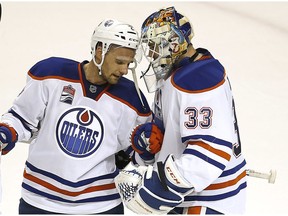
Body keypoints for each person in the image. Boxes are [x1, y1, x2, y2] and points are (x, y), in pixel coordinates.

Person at [0, 18, 152, 214]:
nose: (124, 70)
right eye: (119, 62)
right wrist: (7, 131)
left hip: (100, 205)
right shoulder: (51, 75)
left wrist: (146, 149)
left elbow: (136, 151)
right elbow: (21, 118)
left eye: (129, 63)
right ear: (100, 51)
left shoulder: (132, 99)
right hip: (40, 201)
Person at [115, 6, 247, 215]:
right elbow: (179, 134)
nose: (150, 53)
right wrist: (152, 145)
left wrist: (164, 185)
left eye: (154, 46)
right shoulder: (176, 74)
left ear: (173, 43)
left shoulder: (197, 79)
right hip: (188, 198)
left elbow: (210, 149)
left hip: (208, 201)